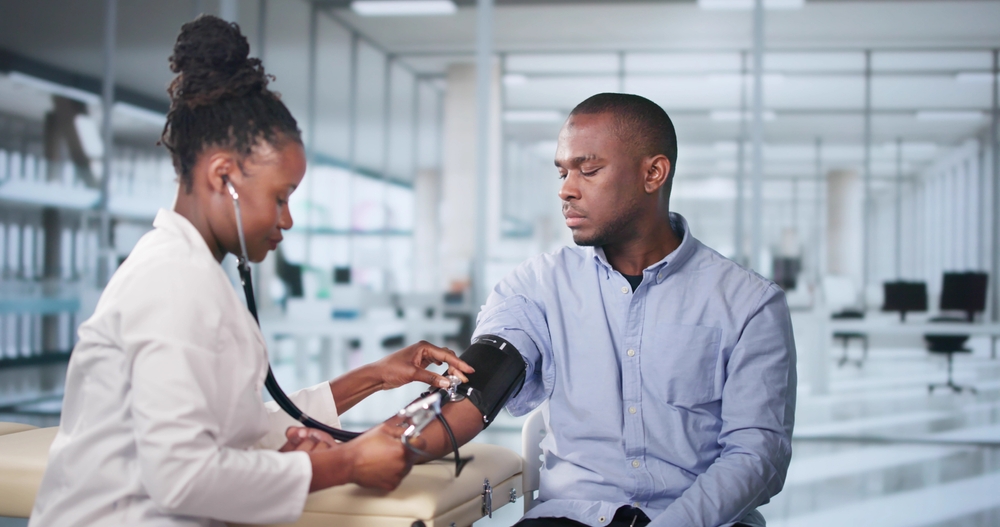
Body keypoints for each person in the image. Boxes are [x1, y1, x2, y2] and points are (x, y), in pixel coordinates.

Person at [28, 16, 473, 527]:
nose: (286, 220)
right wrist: (344, 464)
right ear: (224, 177)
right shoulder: (172, 283)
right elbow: (182, 477)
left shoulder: (189, 273)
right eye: (280, 198)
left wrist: (375, 377)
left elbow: (224, 431)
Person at [473, 93, 797, 527]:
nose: (566, 189)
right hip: (573, 515)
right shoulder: (534, 286)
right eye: (563, 171)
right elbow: (478, 379)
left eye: (588, 170)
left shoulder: (750, 303)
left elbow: (758, 452)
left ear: (653, 173)